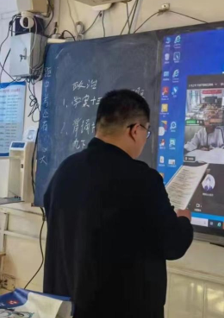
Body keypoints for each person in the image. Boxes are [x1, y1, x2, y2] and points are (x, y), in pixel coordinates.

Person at [44, 90, 193, 318]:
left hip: (68, 307)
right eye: (147, 132)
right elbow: (172, 245)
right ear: (135, 130)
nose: (144, 139)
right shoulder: (142, 179)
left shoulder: (65, 170)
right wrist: (183, 220)